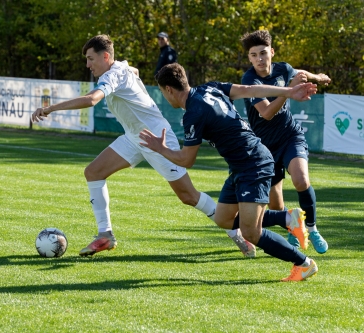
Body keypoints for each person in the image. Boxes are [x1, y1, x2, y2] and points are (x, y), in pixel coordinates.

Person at [32, 34, 245, 257]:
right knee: (93, 172)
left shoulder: (112, 75)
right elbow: (134, 71)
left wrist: (50, 108)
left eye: (90, 58)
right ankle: (105, 235)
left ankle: (237, 233)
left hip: (156, 138)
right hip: (135, 136)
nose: (87, 64)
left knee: (188, 196)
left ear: (105, 56)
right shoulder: (120, 67)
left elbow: (91, 100)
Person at [139, 63, 319, 281]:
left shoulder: (193, 113)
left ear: (168, 89)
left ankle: (304, 263)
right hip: (241, 166)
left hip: (254, 164)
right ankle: (287, 218)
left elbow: (187, 160)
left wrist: (161, 149)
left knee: (251, 232)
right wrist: (288, 92)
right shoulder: (209, 88)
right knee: (224, 219)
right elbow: (248, 90)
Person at [240, 30, 330, 254]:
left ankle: (312, 227)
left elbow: (299, 72)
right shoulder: (250, 80)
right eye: (254, 55)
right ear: (249, 58)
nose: (259, 59)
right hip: (264, 147)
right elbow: (267, 113)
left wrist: (317, 77)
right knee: (275, 201)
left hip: (290, 136)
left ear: (271, 51)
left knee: (301, 180)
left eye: (263, 53)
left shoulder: (283, 68)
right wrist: (289, 92)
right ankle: (292, 229)